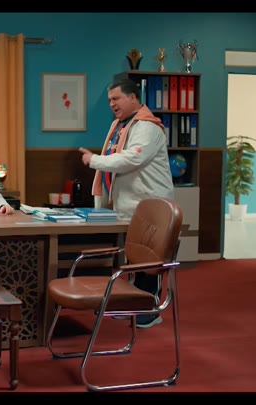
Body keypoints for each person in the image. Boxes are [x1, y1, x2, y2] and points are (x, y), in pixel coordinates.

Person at [78, 78, 175, 328]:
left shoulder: (147, 127)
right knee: (133, 259)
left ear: (132, 98)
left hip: (151, 205)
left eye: (116, 98)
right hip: (129, 205)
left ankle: (150, 310)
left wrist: (95, 161)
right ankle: (133, 303)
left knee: (149, 262)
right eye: (109, 100)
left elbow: (132, 158)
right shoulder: (120, 125)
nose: (112, 104)